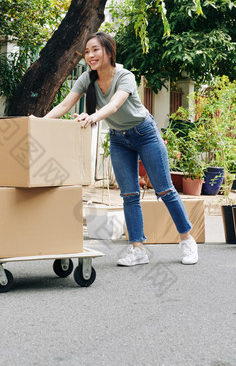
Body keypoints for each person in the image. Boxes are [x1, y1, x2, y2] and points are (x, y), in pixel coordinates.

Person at [45, 32, 198, 266]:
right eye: (87, 51)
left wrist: (93, 117)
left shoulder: (125, 76)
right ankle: (138, 249)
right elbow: (66, 104)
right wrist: (38, 123)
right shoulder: (87, 79)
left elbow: (115, 105)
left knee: (165, 189)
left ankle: (187, 240)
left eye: (95, 49)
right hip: (119, 139)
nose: (90, 55)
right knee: (129, 194)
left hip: (145, 133)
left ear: (108, 52)